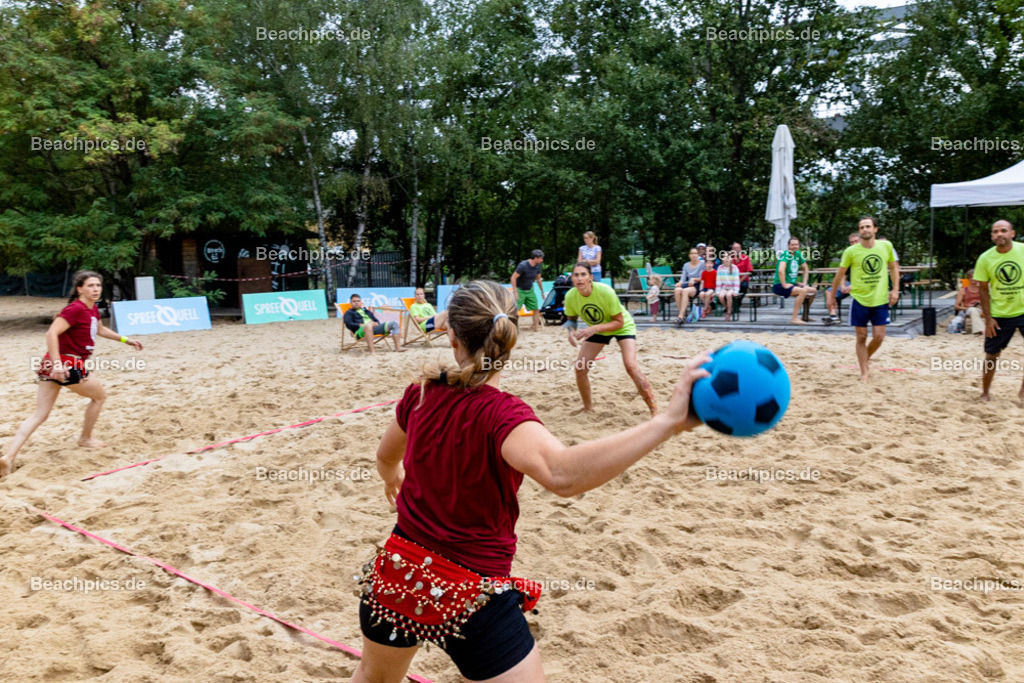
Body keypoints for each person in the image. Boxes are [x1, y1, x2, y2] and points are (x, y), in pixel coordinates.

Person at [351, 279, 711, 682]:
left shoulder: (421, 394)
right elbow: (562, 474)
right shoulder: (502, 415)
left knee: (372, 678)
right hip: (473, 592)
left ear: (452, 337)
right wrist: (667, 422)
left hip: (399, 574)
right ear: (509, 339)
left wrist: (391, 477)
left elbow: (385, 456)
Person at [1, 271, 145, 478]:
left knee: (39, 415)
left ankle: (9, 456)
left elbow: (101, 330)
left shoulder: (92, 308)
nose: (95, 289)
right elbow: (51, 333)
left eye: (98, 285)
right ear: (79, 289)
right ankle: (85, 438)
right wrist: (59, 365)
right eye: (90, 285)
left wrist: (125, 340)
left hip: (51, 364)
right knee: (100, 396)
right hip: (67, 363)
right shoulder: (75, 309)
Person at [563, 263, 657, 415]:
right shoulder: (570, 296)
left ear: (590, 278)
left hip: (621, 326)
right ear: (572, 278)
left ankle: (654, 410)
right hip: (597, 329)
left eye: (583, 274)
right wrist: (571, 332)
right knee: (580, 368)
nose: (580, 279)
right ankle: (588, 408)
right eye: (576, 275)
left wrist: (593, 328)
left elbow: (618, 322)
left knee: (631, 366)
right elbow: (571, 319)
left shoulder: (605, 291)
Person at [830, 216, 900, 381]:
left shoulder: (886, 246)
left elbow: (893, 268)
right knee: (861, 337)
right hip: (859, 299)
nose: (865, 230)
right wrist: (832, 296)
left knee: (878, 337)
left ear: (875, 229)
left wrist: (895, 289)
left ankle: (864, 360)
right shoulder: (851, 251)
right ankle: (864, 372)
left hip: (881, 298)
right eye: (862, 227)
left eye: (868, 226)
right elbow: (840, 273)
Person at [974, 220, 1024, 402]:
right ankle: (985, 392)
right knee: (992, 355)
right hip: (1000, 314)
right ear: (992, 236)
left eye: (1003, 230)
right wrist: (988, 318)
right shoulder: (985, 258)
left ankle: (1023, 392)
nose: (999, 234)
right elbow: (983, 290)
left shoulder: (1022, 250)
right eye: (995, 232)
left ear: (1012, 233)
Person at [772, 237, 817, 325]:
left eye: (796, 244)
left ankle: (805, 315)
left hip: (791, 284)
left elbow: (806, 268)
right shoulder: (785, 255)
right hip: (779, 285)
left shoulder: (798, 254)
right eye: (792, 245)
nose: (794, 246)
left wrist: (804, 283)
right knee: (802, 291)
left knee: (813, 290)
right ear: (788, 246)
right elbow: (781, 270)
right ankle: (794, 318)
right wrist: (784, 284)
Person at [823, 232, 861, 325]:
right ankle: (833, 316)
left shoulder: (864, 254)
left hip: (863, 284)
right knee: (829, 292)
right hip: (850, 283)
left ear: (860, 241)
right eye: (851, 242)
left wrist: (853, 285)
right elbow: (843, 273)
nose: (854, 244)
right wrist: (843, 285)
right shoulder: (849, 255)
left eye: (856, 241)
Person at [510, 249, 545, 333]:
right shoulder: (523, 265)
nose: (542, 260)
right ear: (535, 258)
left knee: (536, 309)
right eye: (541, 258)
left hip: (530, 290)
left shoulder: (538, 266)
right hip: (520, 290)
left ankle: (536, 328)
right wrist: (515, 291)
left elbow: (539, 279)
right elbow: (513, 278)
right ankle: (514, 328)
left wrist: (542, 291)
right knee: (515, 310)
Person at [673, 248, 704, 325]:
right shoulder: (686, 265)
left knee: (685, 291)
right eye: (692, 254)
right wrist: (679, 283)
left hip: (698, 284)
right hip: (689, 284)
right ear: (689, 255)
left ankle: (680, 316)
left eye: (695, 253)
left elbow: (703, 277)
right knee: (677, 290)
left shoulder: (702, 263)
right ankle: (682, 316)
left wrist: (694, 279)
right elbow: (682, 279)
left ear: (698, 255)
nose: (694, 255)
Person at [951, 270, 982, 334]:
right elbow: (956, 306)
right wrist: (966, 308)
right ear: (968, 278)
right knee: (972, 310)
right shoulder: (963, 291)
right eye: (971, 277)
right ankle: (980, 330)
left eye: (975, 277)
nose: (973, 279)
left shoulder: (982, 290)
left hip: (981, 308)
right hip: (968, 309)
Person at [715, 252, 741, 319]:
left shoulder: (734, 268)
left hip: (732, 288)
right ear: (722, 258)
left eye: (728, 257)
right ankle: (727, 307)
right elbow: (719, 280)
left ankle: (728, 312)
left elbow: (736, 280)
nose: (726, 259)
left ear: (731, 259)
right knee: (720, 296)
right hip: (724, 287)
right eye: (725, 257)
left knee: (728, 295)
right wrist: (718, 291)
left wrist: (736, 291)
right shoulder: (720, 268)